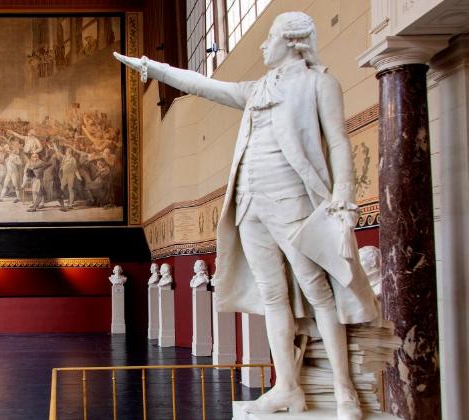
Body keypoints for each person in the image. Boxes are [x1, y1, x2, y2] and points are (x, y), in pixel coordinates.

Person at [115, 11, 376, 420]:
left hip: (293, 201)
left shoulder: (319, 84)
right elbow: (202, 85)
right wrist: (153, 68)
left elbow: (339, 142)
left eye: (270, 37)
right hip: (249, 203)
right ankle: (287, 387)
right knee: (273, 297)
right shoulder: (257, 89)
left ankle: (344, 389)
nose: (263, 44)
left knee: (318, 292)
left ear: (292, 41)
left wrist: (343, 196)